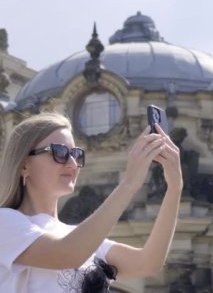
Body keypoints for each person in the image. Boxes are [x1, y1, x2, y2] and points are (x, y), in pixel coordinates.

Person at [0, 111, 183, 293]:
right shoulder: (5, 222)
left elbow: (148, 264)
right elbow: (68, 254)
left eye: (76, 153)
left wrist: (175, 188)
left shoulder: (79, 237)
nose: (72, 163)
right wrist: (129, 183)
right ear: (24, 165)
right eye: (60, 152)